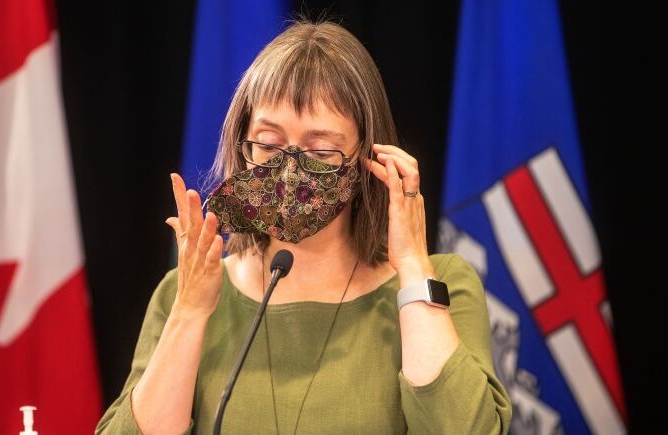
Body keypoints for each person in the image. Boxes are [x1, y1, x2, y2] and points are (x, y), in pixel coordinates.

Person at [96, 20, 512, 435]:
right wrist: (189, 313)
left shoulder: (442, 283)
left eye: (321, 150)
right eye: (269, 144)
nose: (290, 170)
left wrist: (412, 266)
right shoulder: (184, 290)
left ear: (369, 158)